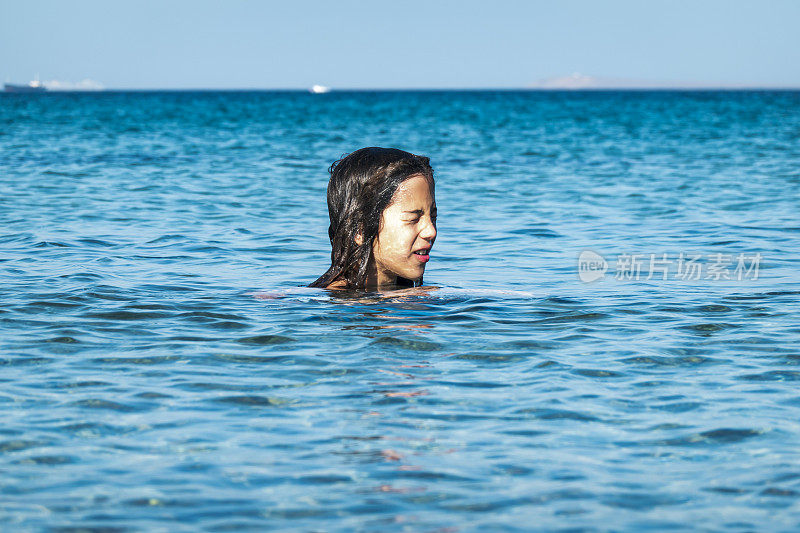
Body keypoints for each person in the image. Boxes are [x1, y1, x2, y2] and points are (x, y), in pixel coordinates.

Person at [309, 147, 437, 290]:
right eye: (413, 219)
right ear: (360, 231)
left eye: (433, 217)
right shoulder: (321, 301)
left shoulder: (410, 295)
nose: (431, 231)